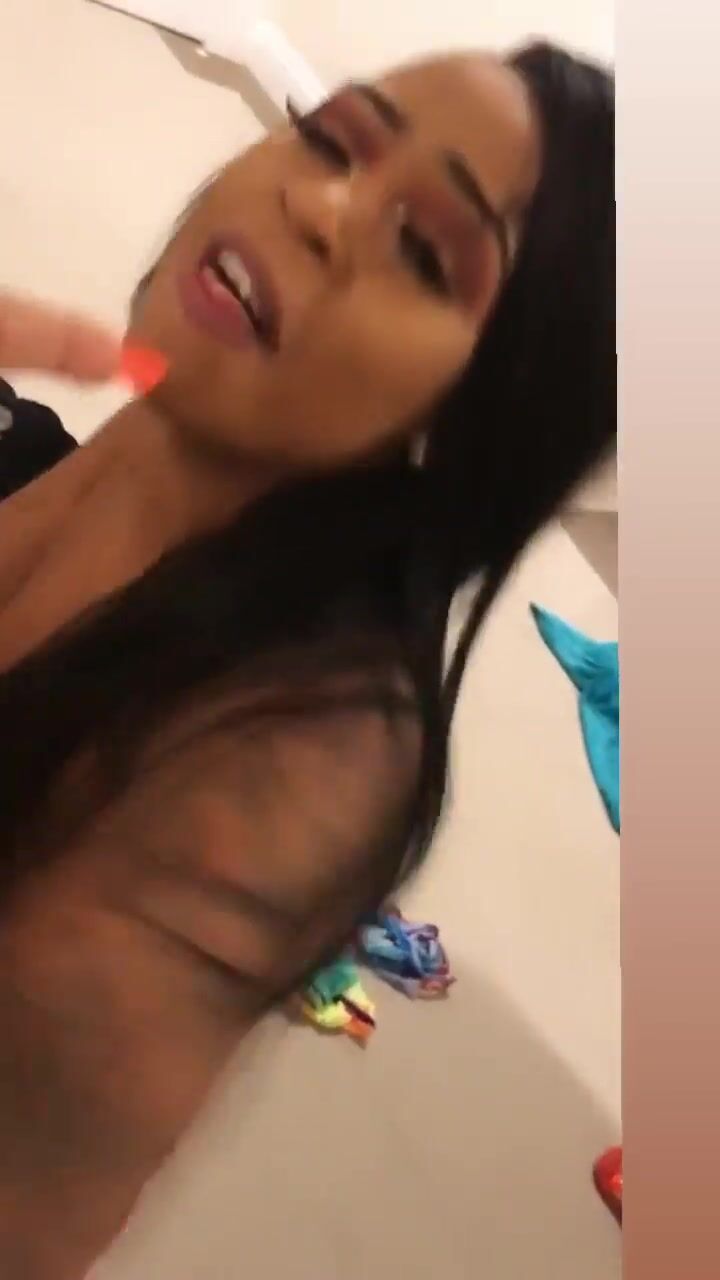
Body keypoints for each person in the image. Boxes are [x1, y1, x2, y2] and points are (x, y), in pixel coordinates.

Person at [0, 43, 615, 1278]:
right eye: (335, 137)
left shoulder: (283, 766)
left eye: (427, 252)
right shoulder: (88, 448)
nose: (320, 207)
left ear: (481, 422)